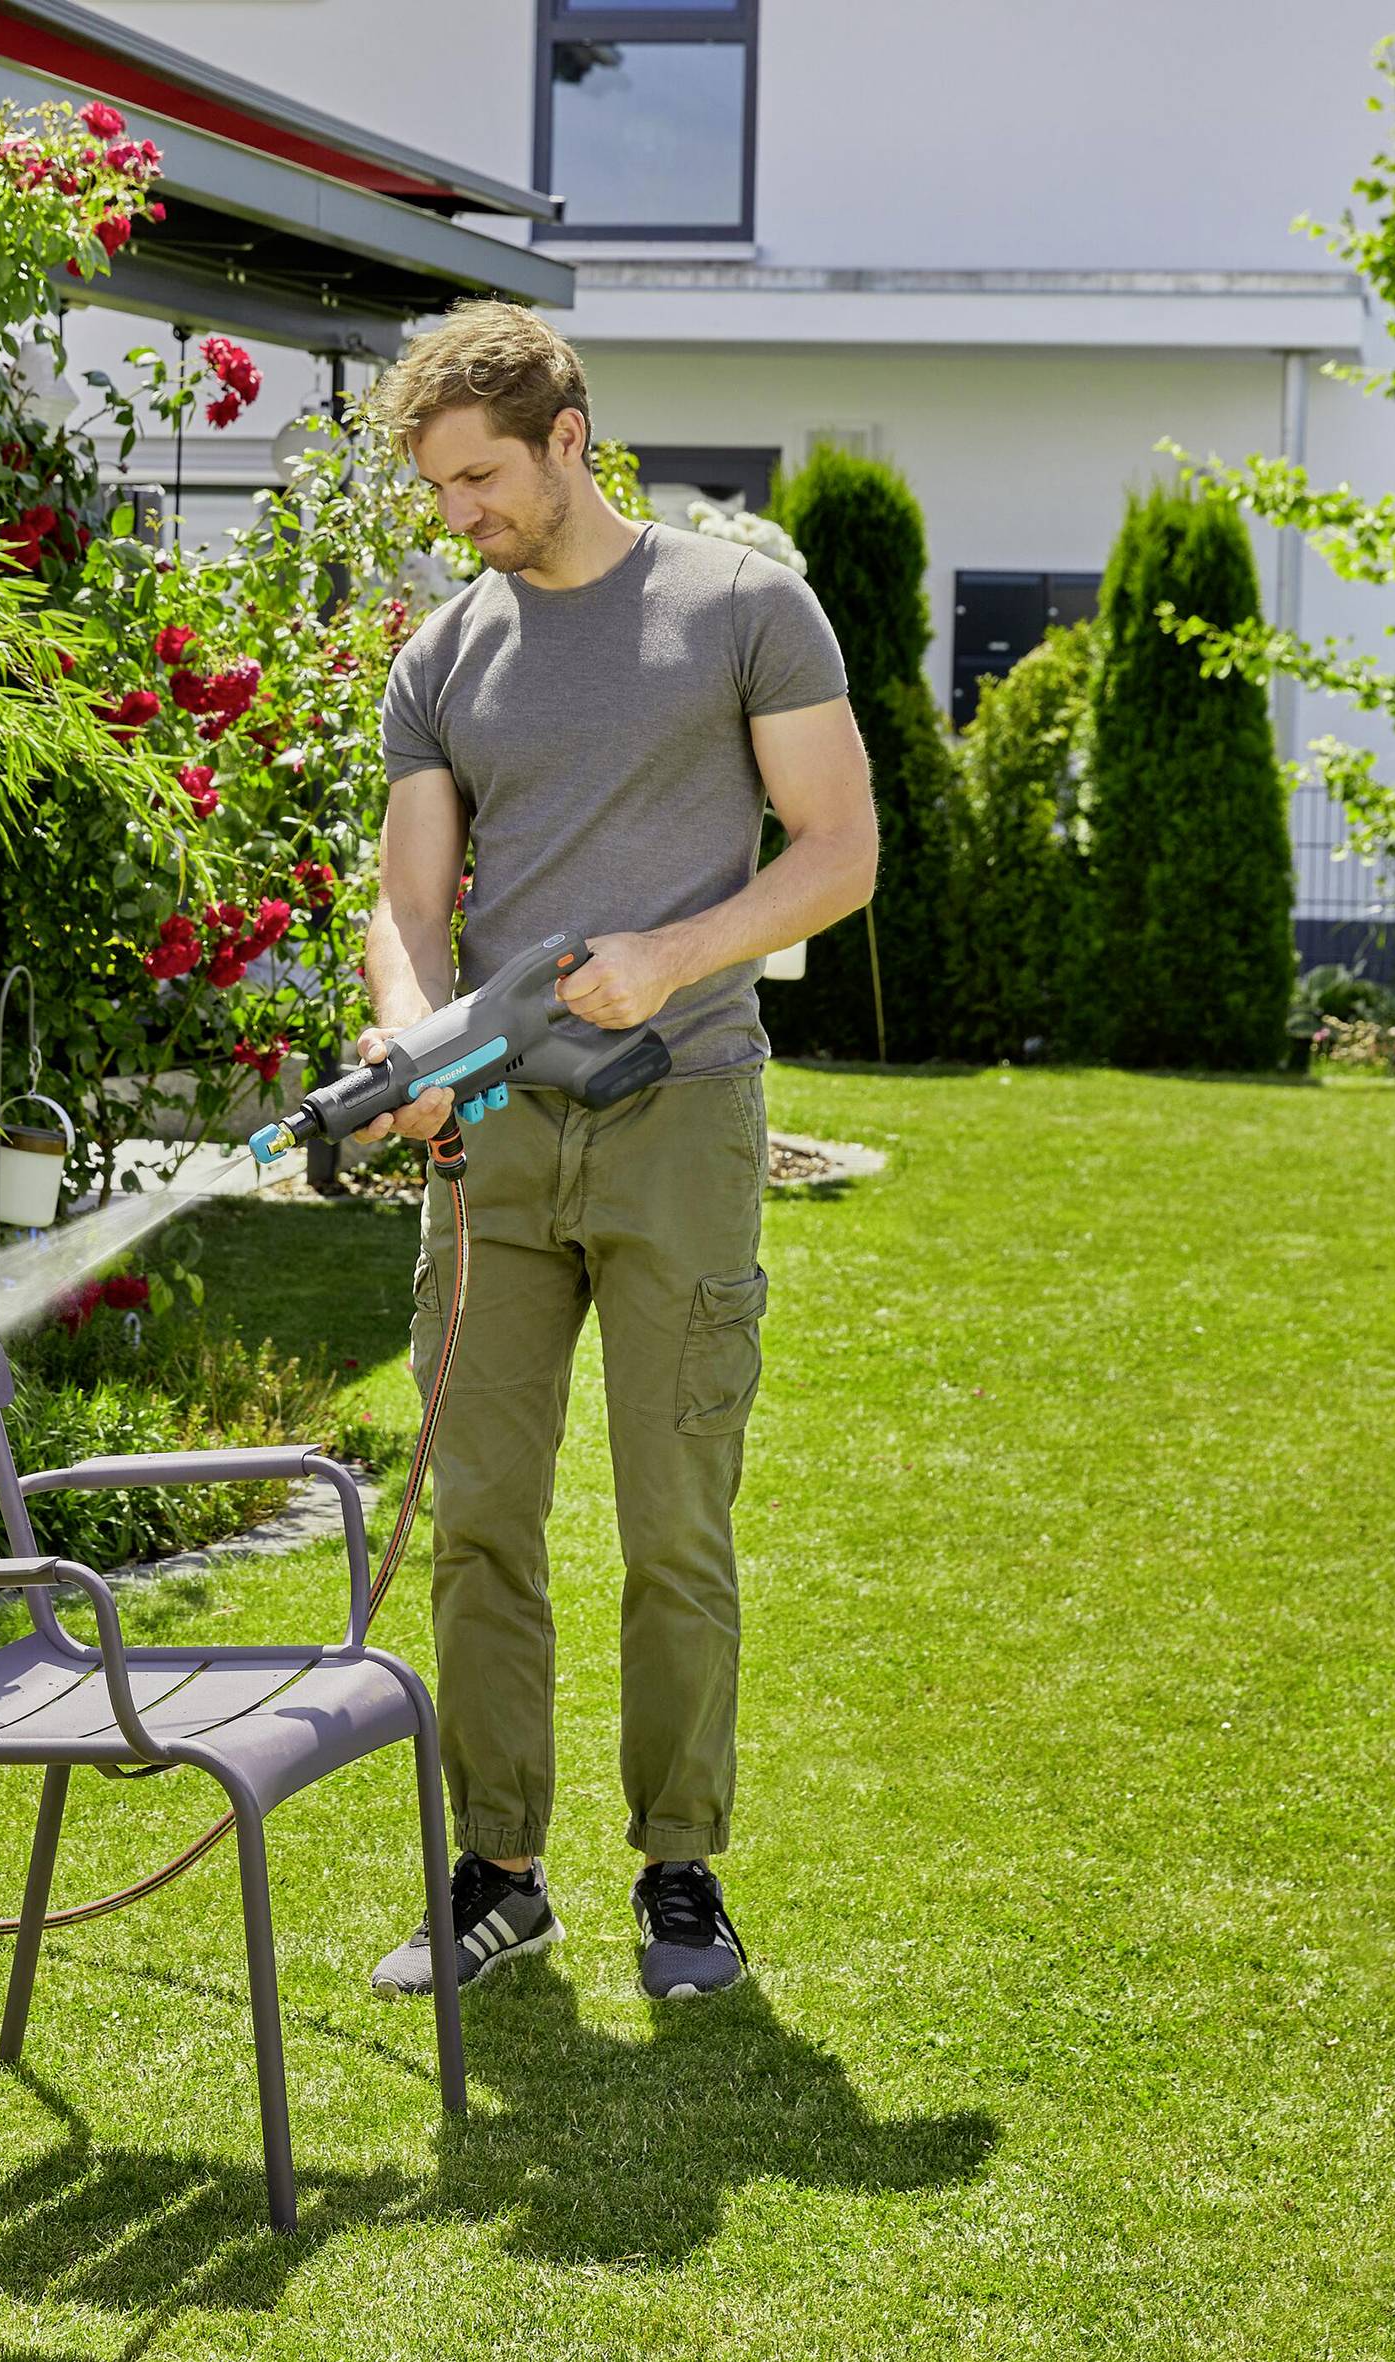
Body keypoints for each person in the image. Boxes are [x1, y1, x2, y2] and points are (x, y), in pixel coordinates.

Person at [355, 304, 877, 2004]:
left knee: (673, 1516)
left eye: (481, 478)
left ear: (569, 436)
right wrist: (421, 1039)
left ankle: (679, 1873)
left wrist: (670, 954)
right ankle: (498, 1871)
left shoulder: (736, 604)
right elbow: (405, 901)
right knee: (481, 1517)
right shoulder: (445, 653)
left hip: (683, 1111)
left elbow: (840, 851)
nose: (462, 515)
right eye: (439, 489)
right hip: (498, 1142)